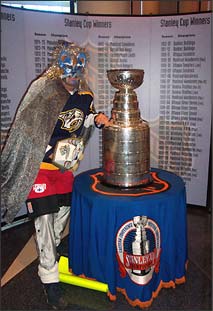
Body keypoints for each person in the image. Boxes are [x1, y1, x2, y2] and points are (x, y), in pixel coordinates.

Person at [1, 40, 110, 309]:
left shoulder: (85, 94)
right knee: (45, 222)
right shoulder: (42, 90)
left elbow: (84, 117)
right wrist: (45, 148)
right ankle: (49, 279)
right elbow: (26, 127)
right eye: (68, 71)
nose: (72, 78)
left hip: (64, 169)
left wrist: (96, 119)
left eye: (77, 72)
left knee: (61, 216)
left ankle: (51, 253)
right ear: (58, 67)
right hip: (39, 167)